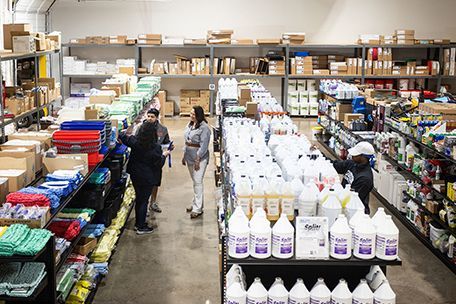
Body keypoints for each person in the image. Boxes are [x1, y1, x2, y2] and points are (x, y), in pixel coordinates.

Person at [120, 122, 170, 234]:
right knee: (143, 201)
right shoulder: (155, 147)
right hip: (148, 177)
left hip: (135, 175)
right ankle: (140, 226)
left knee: (139, 198)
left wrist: (121, 131)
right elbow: (159, 163)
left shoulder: (134, 141)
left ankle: (140, 222)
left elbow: (123, 137)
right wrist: (165, 155)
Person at [182, 106, 211, 219]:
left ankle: (198, 208)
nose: (191, 116)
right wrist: (184, 155)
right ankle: (195, 202)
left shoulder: (204, 128)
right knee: (194, 181)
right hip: (189, 156)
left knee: (198, 181)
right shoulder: (190, 125)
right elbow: (187, 141)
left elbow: (204, 145)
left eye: (193, 114)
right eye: (190, 114)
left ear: (199, 115)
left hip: (200, 159)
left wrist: (198, 158)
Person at [332, 141, 375, 214]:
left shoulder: (365, 179)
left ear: (363, 157)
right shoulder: (352, 163)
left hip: (355, 211)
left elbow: (352, 199)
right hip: (344, 202)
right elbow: (335, 166)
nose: (352, 155)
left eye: (356, 154)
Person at [144, 108, 172, 214]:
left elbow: (166, 142)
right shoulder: (142, 128)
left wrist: (169, 147)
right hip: (145, 160)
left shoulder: (162, 129)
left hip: (157, 160)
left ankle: (153, 202)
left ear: (157, 118)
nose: (150, 118)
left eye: (152, 117)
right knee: (146, 183)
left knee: (156, 182)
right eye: (149, 116)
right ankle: (145, 205)